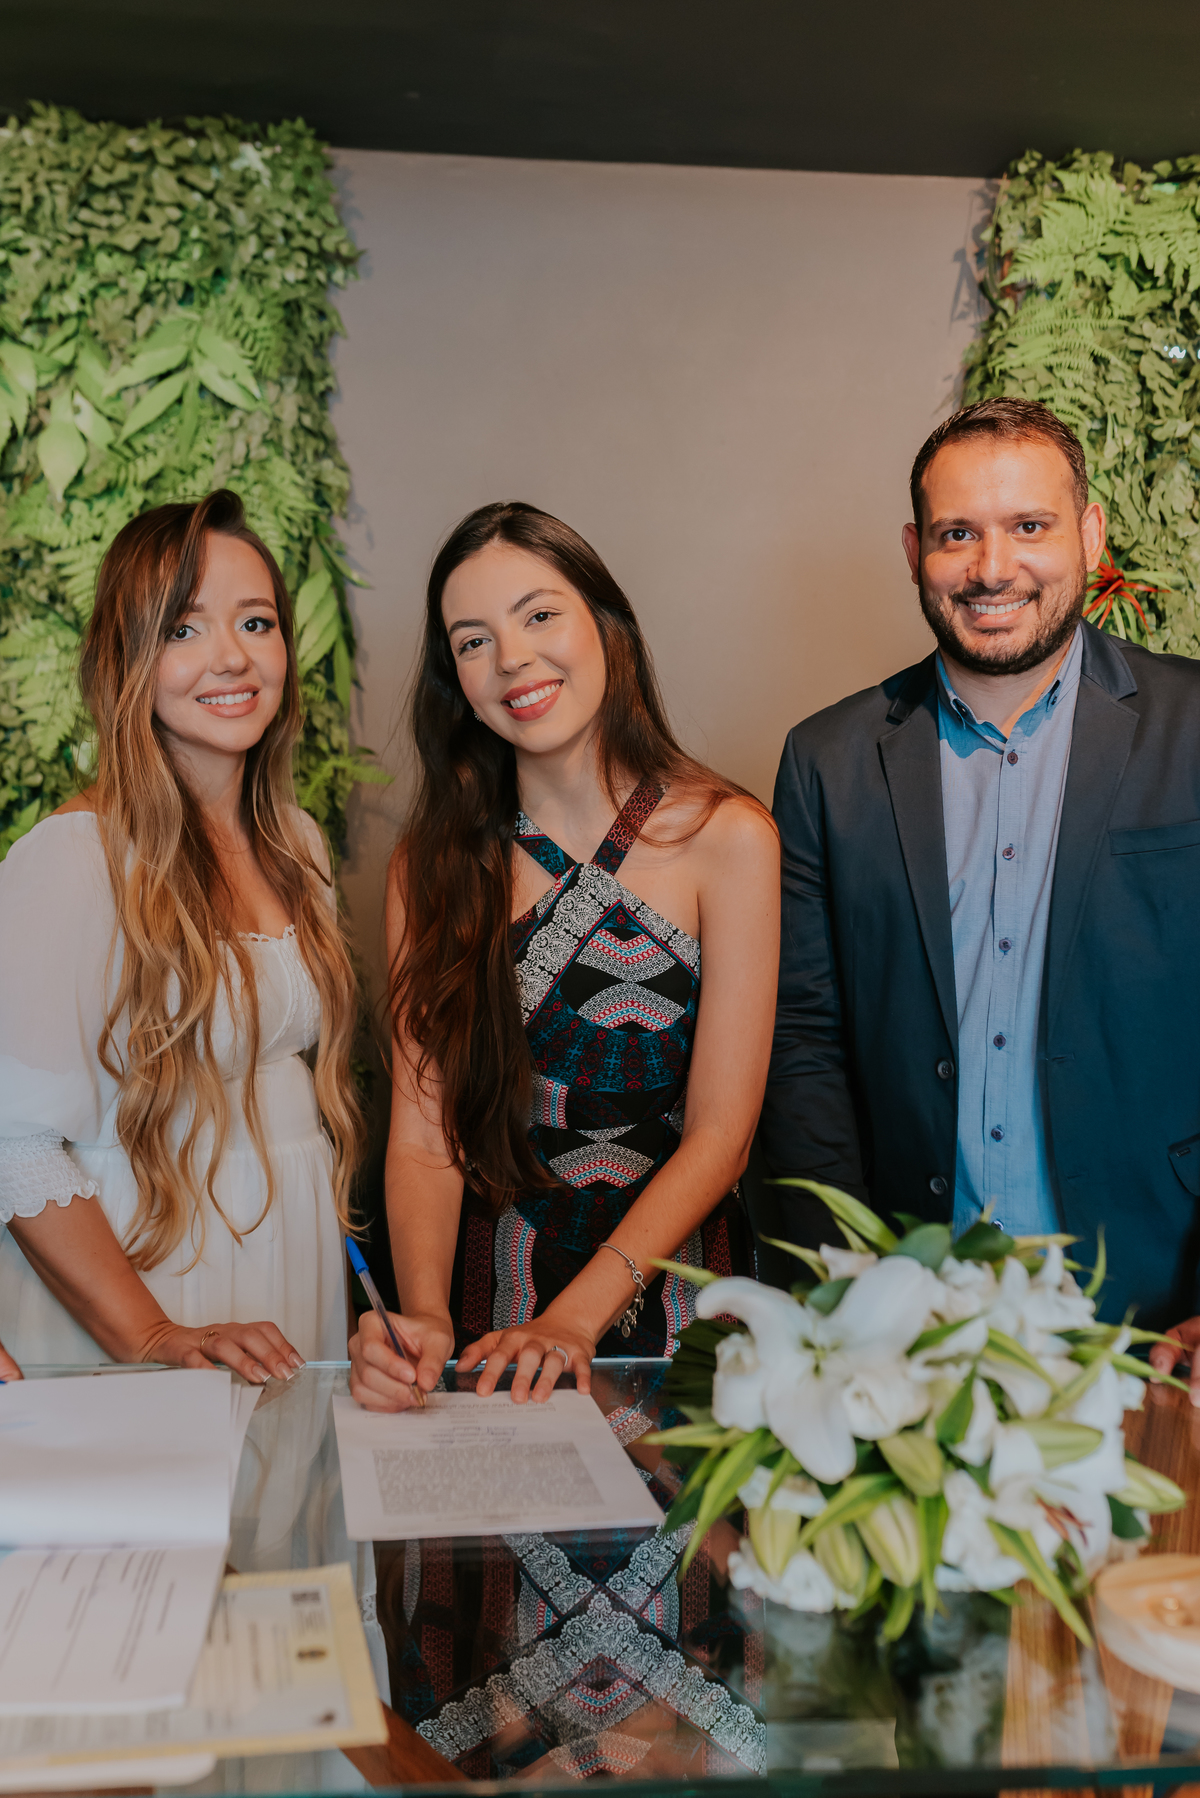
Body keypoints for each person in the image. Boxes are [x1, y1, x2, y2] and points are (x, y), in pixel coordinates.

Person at [760, 397, 1200, 1331]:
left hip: (1160, 1315)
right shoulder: (827, 762)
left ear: (1088, 533)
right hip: (910, 1320)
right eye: (959, 533)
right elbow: (803, 1044)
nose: (992, 567)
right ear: (915, 550)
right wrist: (847, 1295)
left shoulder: (1194, 729)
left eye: (1028, 526)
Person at [349, 501, 779, 1410]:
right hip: (486, 1335)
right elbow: (425, 1142)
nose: (511, 659)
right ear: (454, 679)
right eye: (472, 641)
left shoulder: (727, 837)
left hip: (683, 1338)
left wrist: (576, 1320)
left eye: (539, 615)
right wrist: (424, 1317)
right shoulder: (429, 868)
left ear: (606, 627)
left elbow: (721, 1137)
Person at [0, 490, 363, 1370]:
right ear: (128, 659)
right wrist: (150, 1333)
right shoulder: (74, 856)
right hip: (140, 1281)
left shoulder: (297, 841)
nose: (232, 658)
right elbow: (13, 1142)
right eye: (183, 630)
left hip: (287, 1264)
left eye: (257, 621)